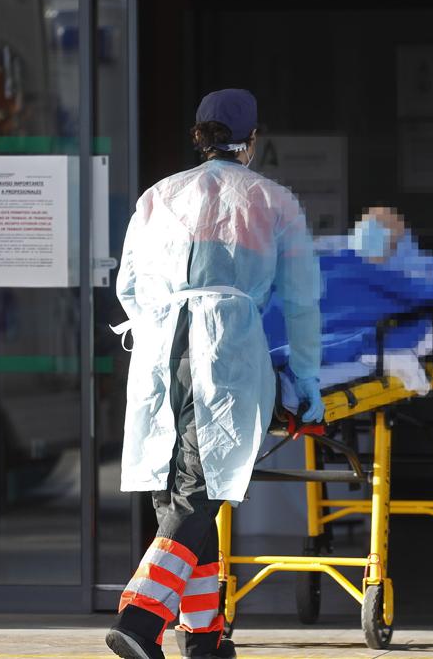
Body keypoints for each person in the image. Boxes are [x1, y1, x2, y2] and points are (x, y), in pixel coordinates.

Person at [106, 89, 324, 659]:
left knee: (183, 494)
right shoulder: (272, 200)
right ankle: (139, 618)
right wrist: (306, 383)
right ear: (252, 141)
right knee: (199, 493)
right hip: (223, 353)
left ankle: (203, 638)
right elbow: (302, 304)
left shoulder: (157, 196)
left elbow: (126, 287)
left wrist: (160, 324)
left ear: (197, 136)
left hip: (159, 348)